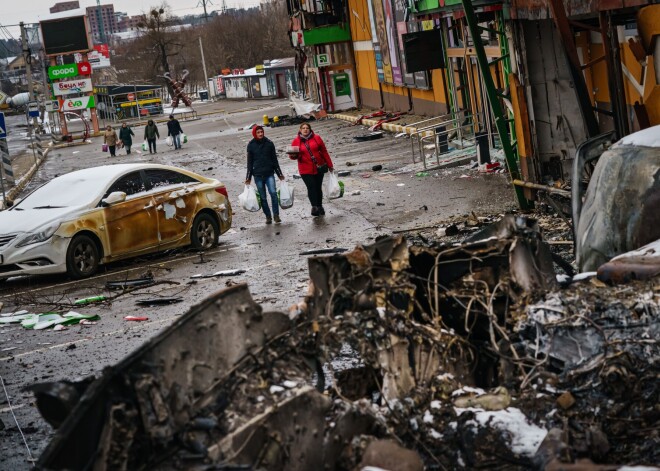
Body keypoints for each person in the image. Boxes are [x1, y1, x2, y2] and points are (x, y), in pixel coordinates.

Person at [289, 123, 334, 216]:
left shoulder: (317, 138)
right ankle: (314, 207)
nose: (305, 130)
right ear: (300, 130)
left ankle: (320, 206)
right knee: (311, 187)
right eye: (303, 128)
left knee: (318, 187)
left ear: (310, 129)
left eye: (307, 128)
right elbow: (292, 156)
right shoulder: (296, 141)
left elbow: (324, 152)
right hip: (305, 169)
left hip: (319, 167)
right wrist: (293, 155)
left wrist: (330, 165)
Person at [245, 125, 284, 224]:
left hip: (269, 174)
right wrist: (248, 177)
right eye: (258, 132)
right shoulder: (251, 145)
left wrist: (279, 173)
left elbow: (274, 160)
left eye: (261, 132)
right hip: (257, 175)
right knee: (262, 197)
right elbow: (249, 163)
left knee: (273, 194)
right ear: (254, 134)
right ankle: (268, 216)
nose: (260, 134)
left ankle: (276, 215)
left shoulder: (269, 143)